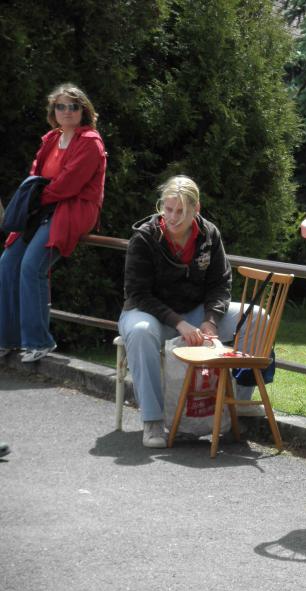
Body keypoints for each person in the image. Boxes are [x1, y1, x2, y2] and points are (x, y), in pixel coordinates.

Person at [118, 176, 254, 448]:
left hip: (195, 314)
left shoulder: (209, 234)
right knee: (141, 332)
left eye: (180, 211)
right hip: (148, 314)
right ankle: (153, 421)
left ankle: (237, 408)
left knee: (256, 318)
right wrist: (179, 323)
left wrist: (210, 321)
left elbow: (220, 284)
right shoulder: (144, 237)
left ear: (196, 209)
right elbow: (138, 293)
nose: (172, 217)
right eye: (167, 209)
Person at [0, 83, 107, 362]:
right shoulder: (50, 139)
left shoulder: (90, 142)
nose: (67, 111)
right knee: (7, 264)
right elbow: (35, 173)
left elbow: (69, 184)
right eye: (61, 106)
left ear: (84, 111)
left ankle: (39, 341)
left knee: (32, 265)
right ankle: (7, 339)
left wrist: (35, 199)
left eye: (73, 106)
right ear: (53, 111)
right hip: (43, 209)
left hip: (71, 209)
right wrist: (36, 199)